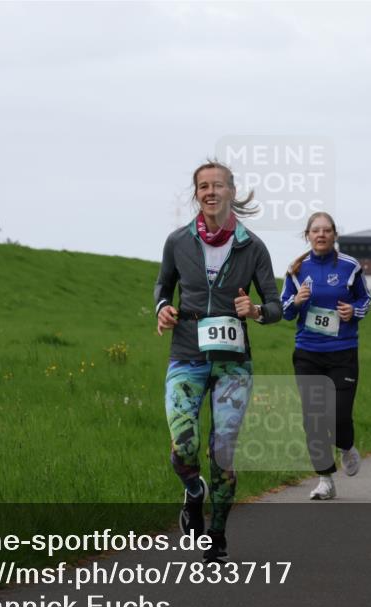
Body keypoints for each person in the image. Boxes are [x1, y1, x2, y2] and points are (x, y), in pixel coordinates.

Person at [155, 161, 282, 561]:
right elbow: (163, 285)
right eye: (203, 186)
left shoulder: (252, 246)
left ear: (232, 191)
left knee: (223, 449)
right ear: (197, 194)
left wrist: (255, 310)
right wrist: (162, 307)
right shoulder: (178, 241)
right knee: (183, 439)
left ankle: (217, 534)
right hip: (187, 353)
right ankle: (194, 489)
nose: (211, 192)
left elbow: (276, 305)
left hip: (233, 362)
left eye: (218, 185)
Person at [282, 212, 371, 500]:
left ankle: (346, 446)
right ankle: (324, 479)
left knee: (339, 414)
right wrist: (296, 302)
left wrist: (353, 312)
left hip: (342, 352)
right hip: (308, 353)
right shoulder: (296, 269)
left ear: (335, 235)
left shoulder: (350, 267)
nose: (321, 235)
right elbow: (285, 310)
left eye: (326, 230)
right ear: (307, 235)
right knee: (313, 418)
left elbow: (365, 299)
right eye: (315, 230)